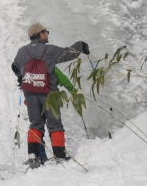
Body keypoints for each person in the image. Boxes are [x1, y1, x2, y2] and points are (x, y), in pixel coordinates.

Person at [12, 22, 90, 166]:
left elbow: (14, 66)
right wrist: (81, 46)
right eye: (46, 31)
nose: (47, 34)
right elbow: (67, 53)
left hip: (30, 94)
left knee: (35, 124)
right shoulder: (49, 50)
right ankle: (59, 155)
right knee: (55, 125)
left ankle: (33, 155)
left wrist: (22, 78)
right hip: (49, 94)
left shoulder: (22, 51)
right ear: (40, 34)